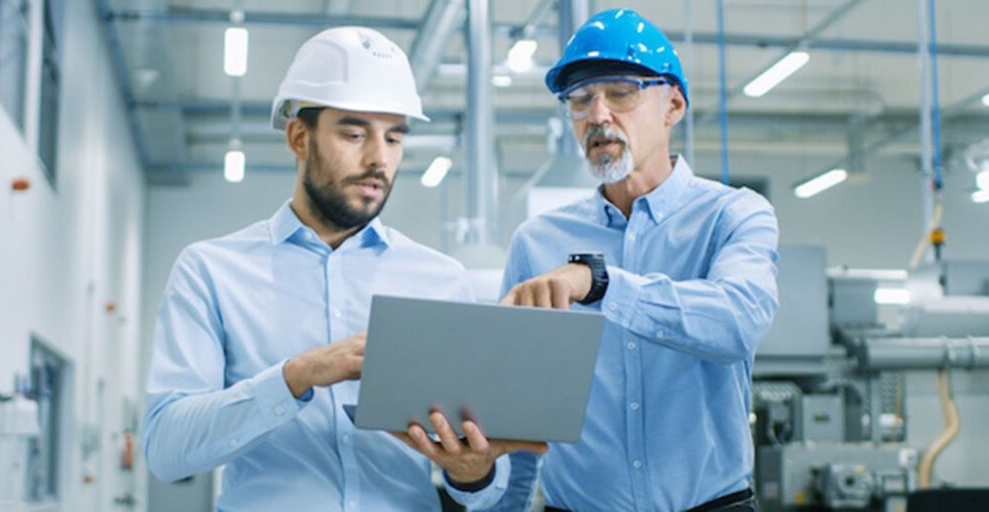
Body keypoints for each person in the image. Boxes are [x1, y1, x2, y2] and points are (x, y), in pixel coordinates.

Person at [142, 27, 541, 511]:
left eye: (394, 138)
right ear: (298, 137)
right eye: (354, 134)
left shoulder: (440, 280)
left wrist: (472, 471)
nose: (379, 159)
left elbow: (483, 488)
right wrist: (296, 376)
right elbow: (166, 451)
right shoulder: (211, 271)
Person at [493, 9, 779, 512]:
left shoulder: (733, 215)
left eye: (621, 92)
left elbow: (738, 320)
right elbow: (518, 418)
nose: (598, 115)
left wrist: (600, 283)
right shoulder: (536, 243)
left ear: (672, 105)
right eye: (580, 100)